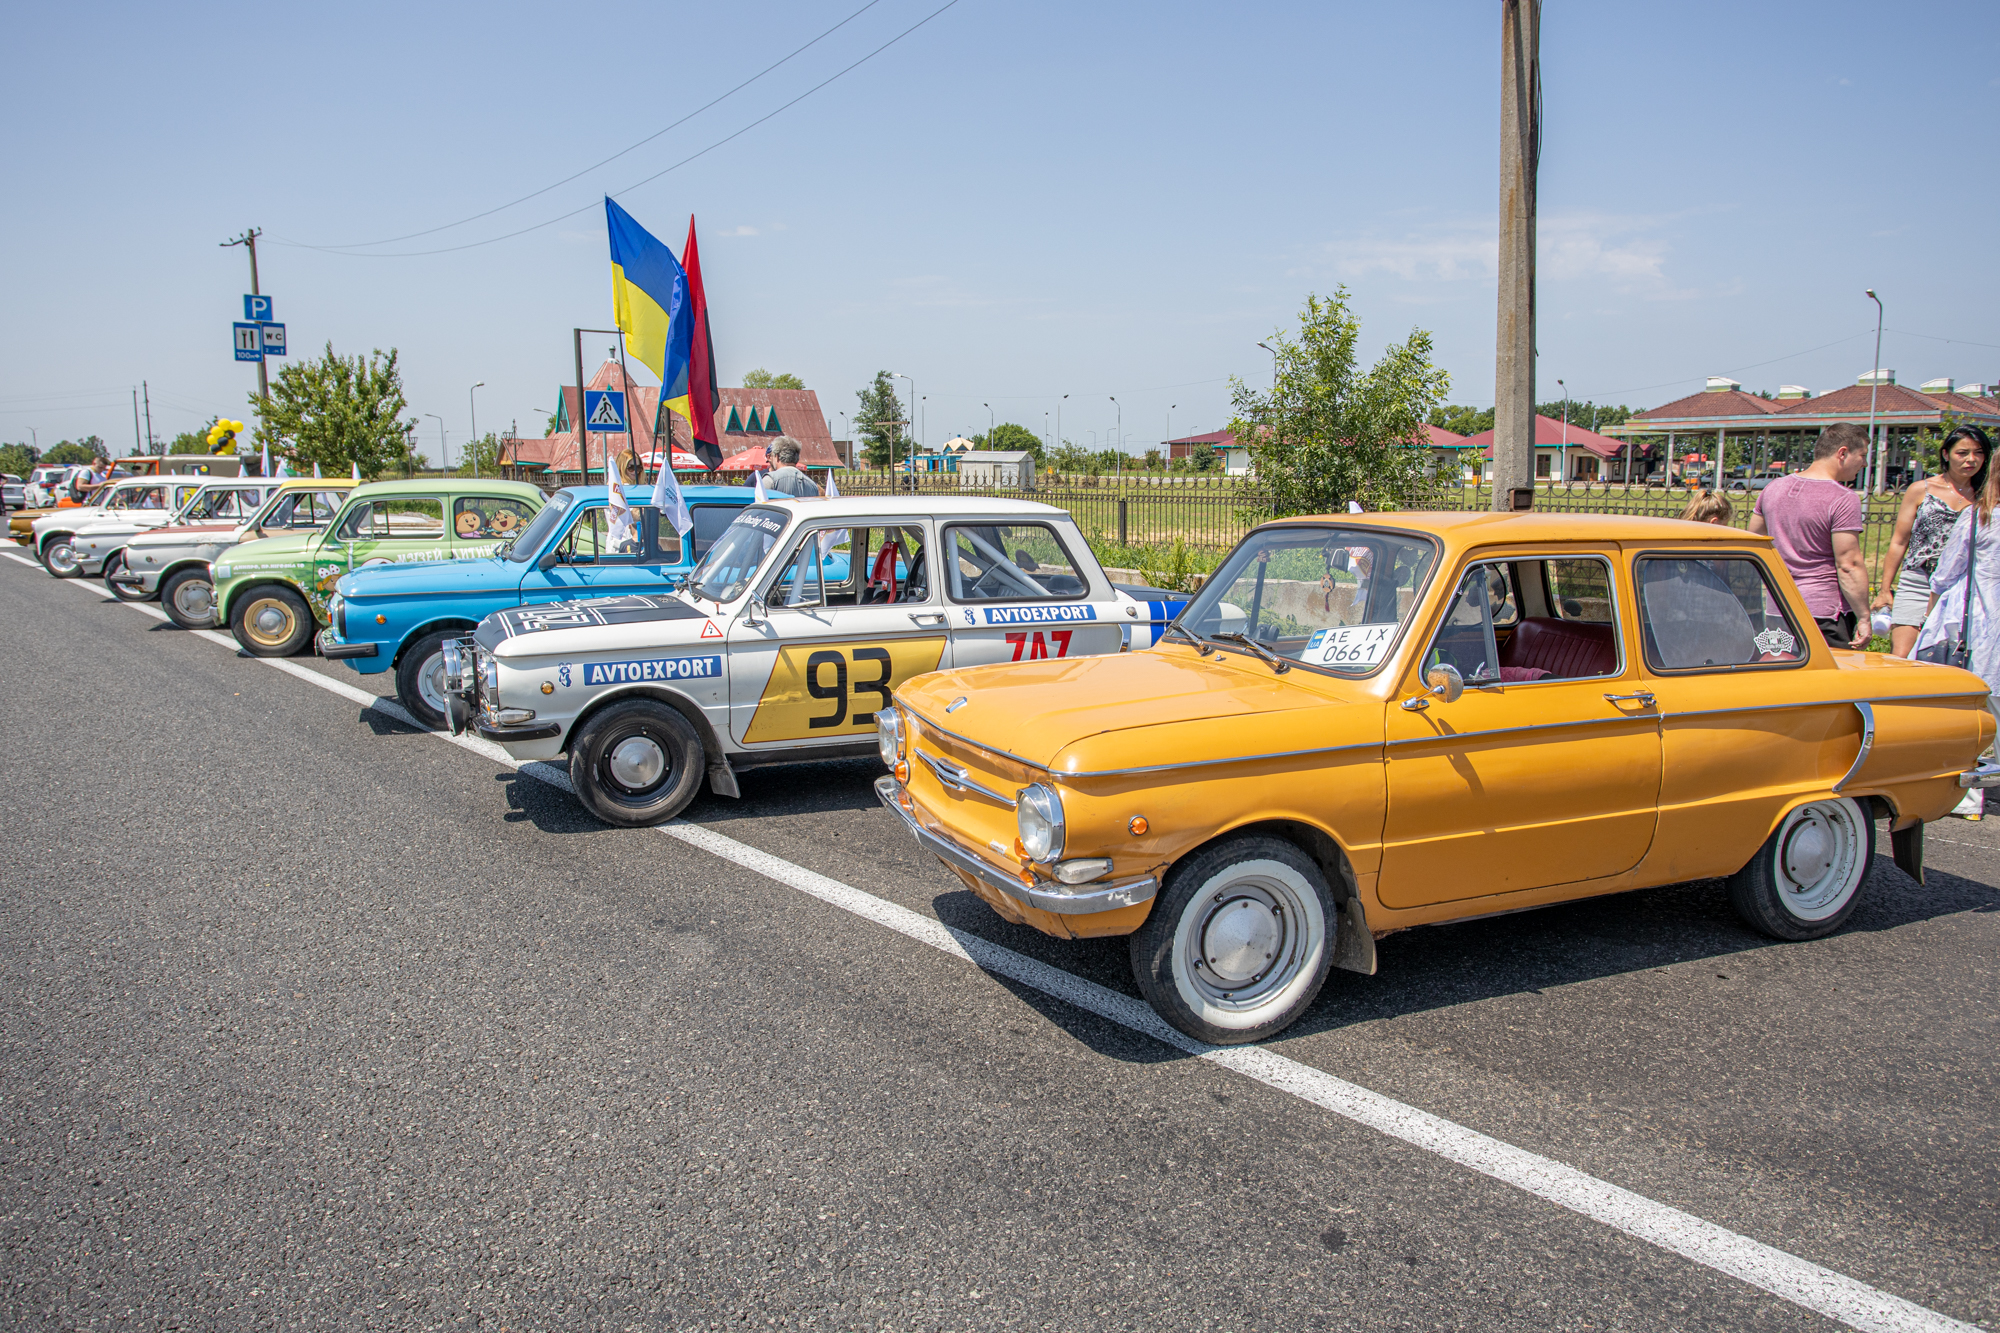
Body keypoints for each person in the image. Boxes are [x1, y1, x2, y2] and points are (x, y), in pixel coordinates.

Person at [1915, 447, 2000, 817]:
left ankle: (1968, 798)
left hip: (1984, 624)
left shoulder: (1979, 517)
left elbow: (1947, 573)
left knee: (1975, 710)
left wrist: (1929, 619)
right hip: (1987, 624)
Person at [1748, 422, 1871, 650]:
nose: (1864, 463)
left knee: (1784, 677)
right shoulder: (1843, 498)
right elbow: (1849, 565)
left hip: (1779, 607)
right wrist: (1864, 616)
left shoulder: (1773, 488)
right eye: (1862, 455)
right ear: (1842, 453)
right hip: (1823, 613)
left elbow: (1752, 540)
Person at [1874, 425, 1989, 658]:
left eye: (1978, 452)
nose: (1971, 459)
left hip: (1962, 586)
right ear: (1946, 454)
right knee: (1902, 655)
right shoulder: (1921, 490)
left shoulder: (1987, 496)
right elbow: (1898, 541)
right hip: (1918, 581)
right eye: (1962, 453)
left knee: (1949, 656)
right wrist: (1885, 589)